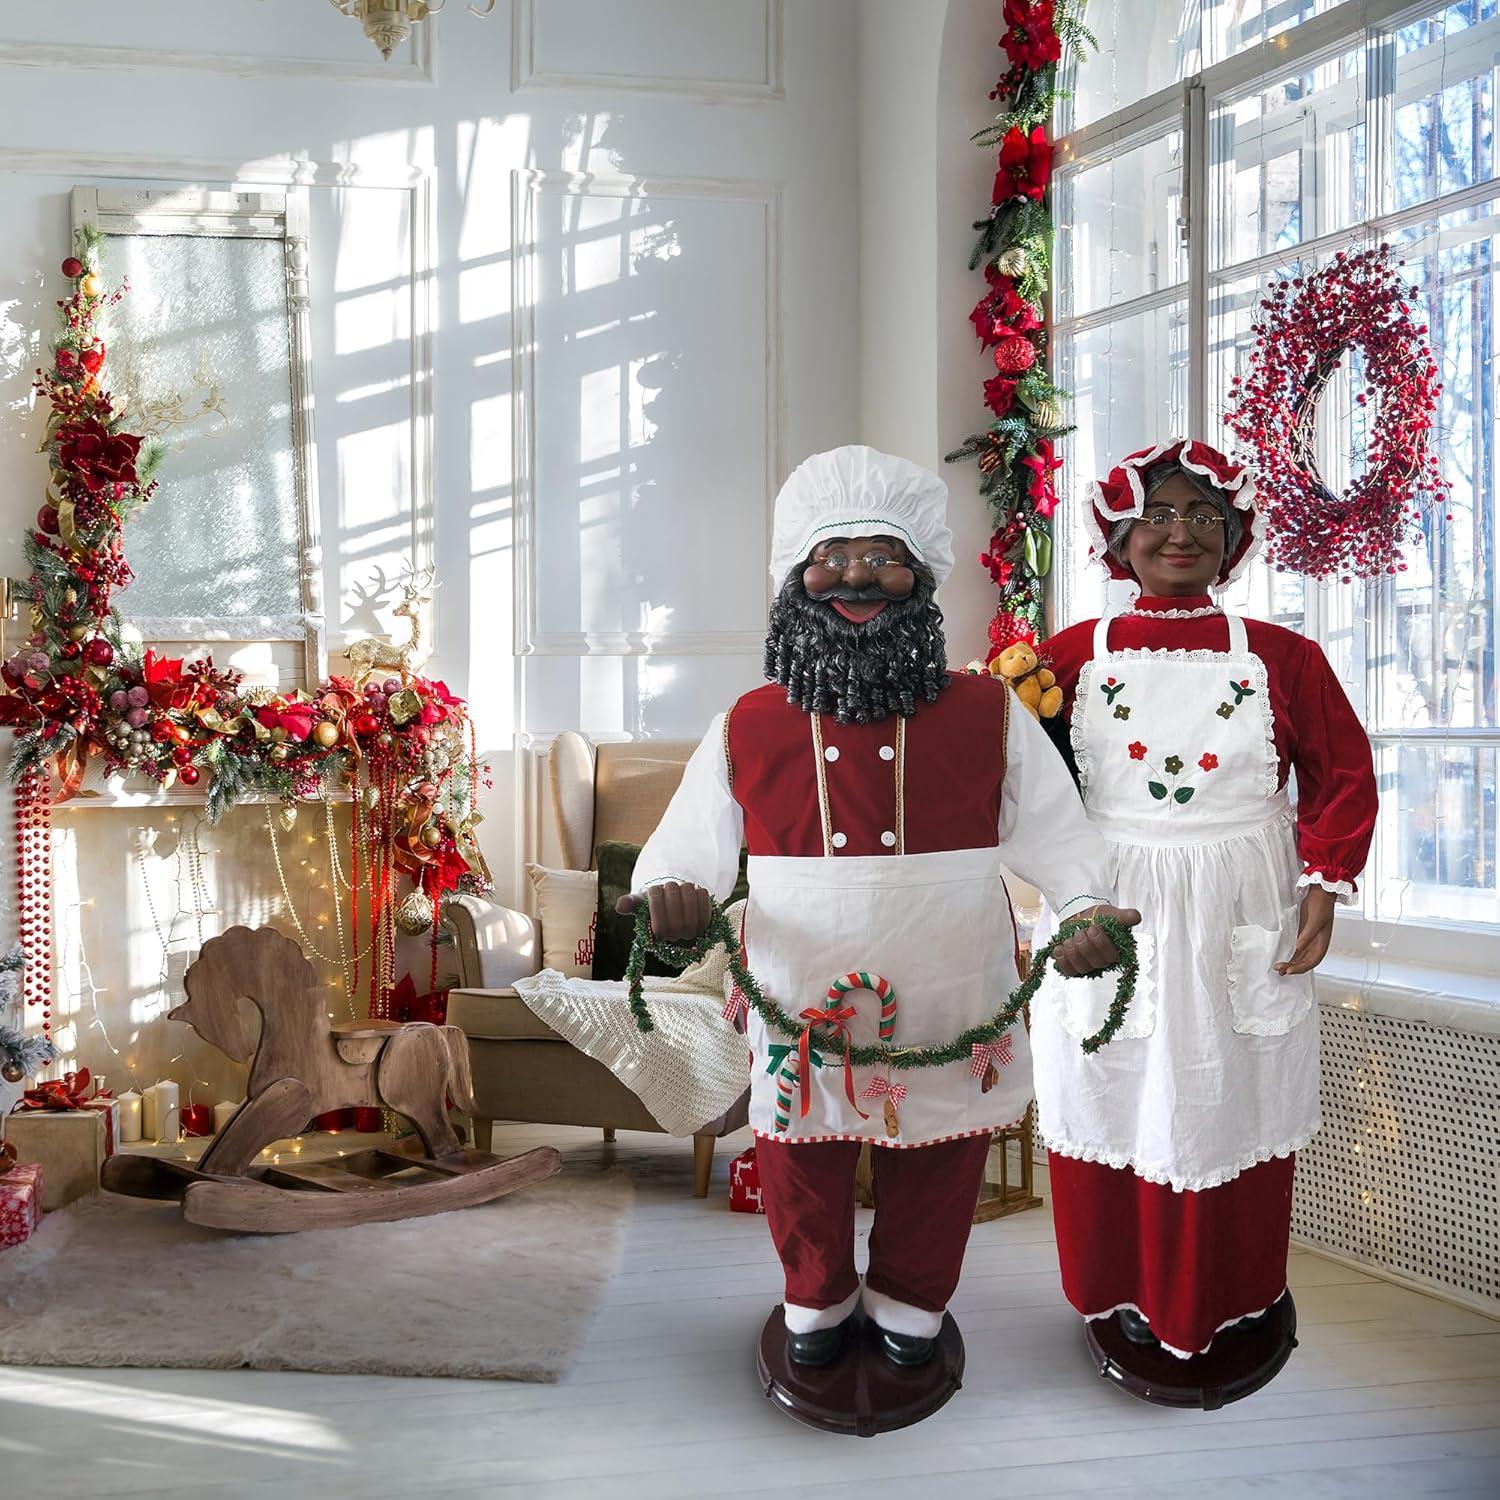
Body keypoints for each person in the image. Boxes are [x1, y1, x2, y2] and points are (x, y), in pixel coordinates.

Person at [621, 445, 1137, 1369]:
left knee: (942, 1148)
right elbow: (684, 849)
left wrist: (1089, 908)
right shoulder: (748, 721)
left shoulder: (991, 712)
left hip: (954, 975)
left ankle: (911, 1297)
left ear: (922, 580)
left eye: (882, 557)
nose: (856, 577)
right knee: (798, 1146)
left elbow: (1061, 838)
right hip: (798, 981)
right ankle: (813, 1296)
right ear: (795, 580)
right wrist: (672, 894)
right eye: (832, 556)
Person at [1026, 438, 1378, 1365]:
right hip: (1112, 905)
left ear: (1234, 537)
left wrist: (1323, 884)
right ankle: (1118, 1293)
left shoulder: (1283, 658)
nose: (1179, 532)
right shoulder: (1063, 659)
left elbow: (1340, 773)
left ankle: (1232, 1296)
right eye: (1157, 516)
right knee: (1112, 1093)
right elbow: (1025, 786)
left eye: (1203, 517)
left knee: (1230, 1104)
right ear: (1118, 536)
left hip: (1238, 908)